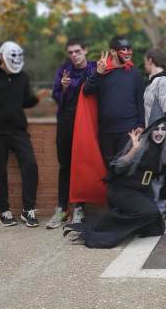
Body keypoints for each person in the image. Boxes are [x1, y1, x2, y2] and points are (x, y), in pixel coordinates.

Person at [63, 117, 166, 248]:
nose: (159, 132)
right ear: (150, 131)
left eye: (163, 129)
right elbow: (117, 167)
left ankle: (126, 223)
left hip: (143, 190)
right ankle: (104, 228)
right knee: (150, 212)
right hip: (123, 188)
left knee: (156, 228)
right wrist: (133, 150)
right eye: (156, 129)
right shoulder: (139, 143)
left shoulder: (165, 151)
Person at [0, 41, 50, 227]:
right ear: (1, 57)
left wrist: (36, 98)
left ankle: (28, 209)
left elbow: (24, 102)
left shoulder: (22, 77)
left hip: (18, 130)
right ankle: (4, 211)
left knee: (30, 165)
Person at [47, 39, 97, 229]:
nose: (74, 55)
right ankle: (62, 208)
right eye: (71, 52)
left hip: (86, 122)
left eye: (77, 51)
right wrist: (64, 87)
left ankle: (79, 208)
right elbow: (56, 97)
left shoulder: (93, 68)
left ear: (85, 50)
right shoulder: (64, 70)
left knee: (82, 164)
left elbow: (98, 90)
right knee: (65, 165)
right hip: (66, 121)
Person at [83, 35, 146, 166]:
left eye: (129, 49)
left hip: (129, 130)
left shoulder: (135, 73)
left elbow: (140, 100)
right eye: (123, 49)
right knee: (108, 167)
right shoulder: (102, 72)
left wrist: (141, 124)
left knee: (125, 166)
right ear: (112, 51)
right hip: (106, 130)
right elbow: (86, 91)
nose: (127, 52)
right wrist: (98, 73)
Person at [143, 47, 166, 215]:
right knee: (152, 174)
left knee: (160, 174)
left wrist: (165, 139)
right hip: (151, 137)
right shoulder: (154, 81)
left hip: (161, 136)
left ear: (150, 60)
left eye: (145, 61)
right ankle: (154, 209)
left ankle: (160, 210)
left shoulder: (164, 81)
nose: (144, 65)